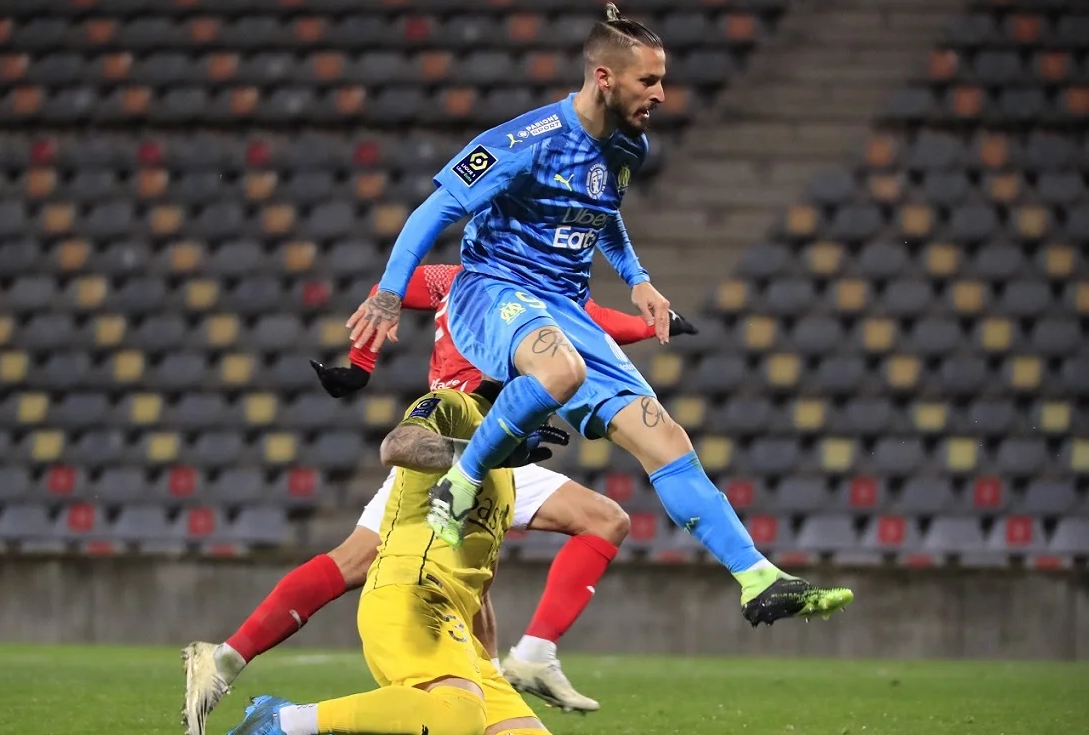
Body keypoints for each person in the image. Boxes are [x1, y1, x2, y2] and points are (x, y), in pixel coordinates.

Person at [346, 4, 852, 627]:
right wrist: (389, 293)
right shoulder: (523, 141)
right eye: (649, 81)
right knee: (561, 371)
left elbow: (602, 212)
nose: (661, 94)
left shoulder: (629, 145)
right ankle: (463, 481)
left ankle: (757, 577)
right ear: (604, 78)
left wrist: (638, 279)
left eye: (662, 80)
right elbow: (434, 211)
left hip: (563, 308)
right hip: (493, 289)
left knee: (665, 437)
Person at [180, 264, 698, 733]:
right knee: (374, 561)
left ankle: (512, 660)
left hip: (500, 436)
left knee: (487, 545)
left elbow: (593, 323)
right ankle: (258, 693)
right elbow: (389, 293)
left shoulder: (533, 280)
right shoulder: (466, 281)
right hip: (462, 430)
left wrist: (654, 324)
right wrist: (360, 362)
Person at [225, 381, 552, 735]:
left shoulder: (508, 475)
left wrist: (490, 666)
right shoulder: (454, 405)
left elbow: (481, 582)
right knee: (457, 718)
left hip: (456, 625)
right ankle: (283, 722)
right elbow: (397, 446)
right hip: (411, 591)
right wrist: (484, 451)